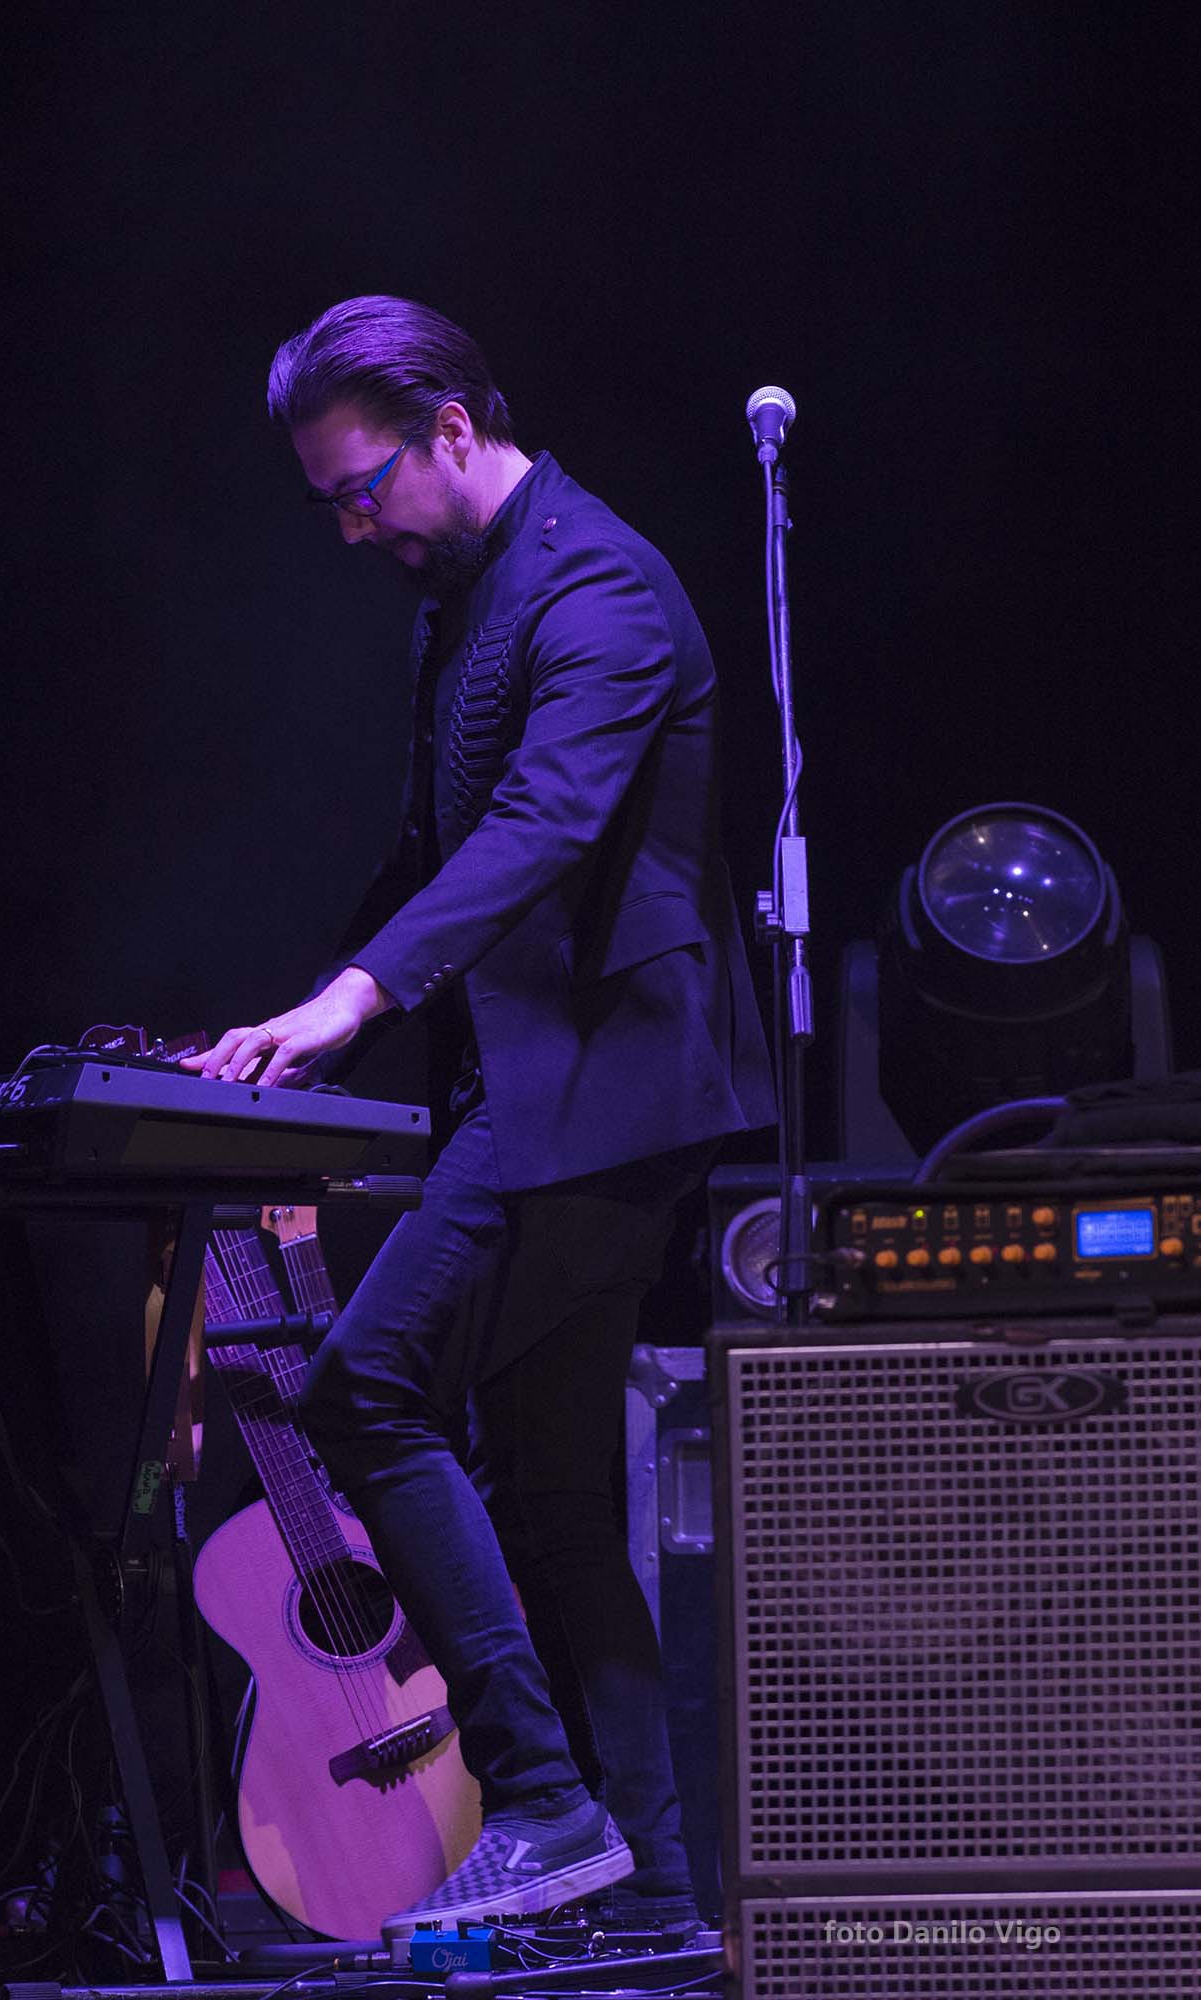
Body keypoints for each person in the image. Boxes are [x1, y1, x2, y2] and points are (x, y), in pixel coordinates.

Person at [184, 295, 774, 1937]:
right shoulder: (461, 598)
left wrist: (359, 998)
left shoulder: (600, 587)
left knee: (364, 1389)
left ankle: (540, 1801)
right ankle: (653, 1894)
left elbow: (539, 826)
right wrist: (298, 1029)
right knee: (556, 1500)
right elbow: (428, 857)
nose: (351, 529)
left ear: (452, 427)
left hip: (605, 1094)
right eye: (328, 505)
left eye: (362, 490)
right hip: (532, 1093)